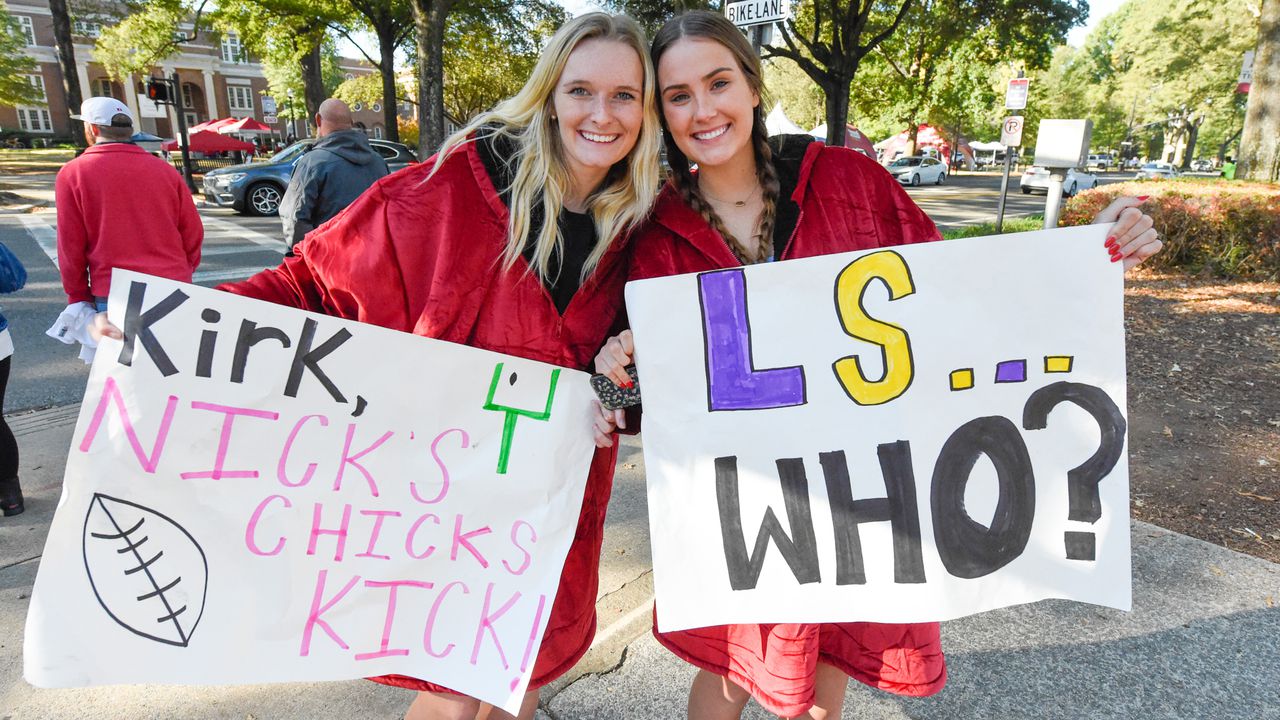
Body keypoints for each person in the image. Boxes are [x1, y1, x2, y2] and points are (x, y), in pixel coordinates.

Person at [88, 13, 660, 720]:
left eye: (625, 96)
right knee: (452, 698)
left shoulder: (643, 218)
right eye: (581, 91)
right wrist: (172, 327)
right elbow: (315, 285)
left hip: (549, 508)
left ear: (647, 107)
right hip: (444, 492)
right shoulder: (456, 190)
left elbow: (638, 370)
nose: (602, 115)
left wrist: (615, 385)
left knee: (516, 678)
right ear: (548, 95)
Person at [592, 11, 1163, 720]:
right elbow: (641, 394)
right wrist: (618, 365)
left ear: (753, 86)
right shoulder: (649, 230)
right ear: (661, 113)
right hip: (748, 503)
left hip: (854, 490)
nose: (703, 110)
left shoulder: (849, 182)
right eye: (678, 95)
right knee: (733, 671)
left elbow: (954, 290)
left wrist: (1082, 256)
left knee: (823, 674)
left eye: (719, 83)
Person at [54, 96, 202, 320]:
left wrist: (78, 295)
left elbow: (70, 244)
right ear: (130, 130)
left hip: (115, 290)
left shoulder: (73, 173)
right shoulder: (165, 171)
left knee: (123, 355)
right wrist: (184, 269)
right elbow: (192, 231)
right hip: (173, 284)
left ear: (92, 129)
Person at [277, 98, 389, 252]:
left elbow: (295, 220)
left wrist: (303, 259)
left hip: (329, 260)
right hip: (371, 257)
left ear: (318, 119)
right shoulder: (378, 162)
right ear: (351, 122)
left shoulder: (312, 163)